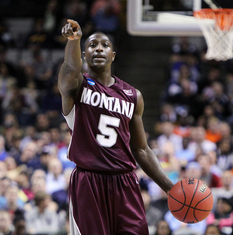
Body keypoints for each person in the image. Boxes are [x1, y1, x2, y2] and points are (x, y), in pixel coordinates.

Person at [58, 19, 174, 234]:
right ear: (84, 56)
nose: (99, 48)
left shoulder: (132, 95)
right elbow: (70, 68)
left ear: (113, 55)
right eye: (92, 45)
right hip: (88, 181)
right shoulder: (76, 86)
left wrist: (171, 188)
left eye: (105, 45)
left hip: (125, 182)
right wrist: (74, 41)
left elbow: (141, 149)